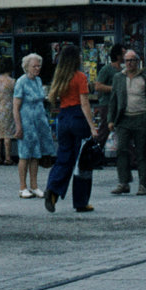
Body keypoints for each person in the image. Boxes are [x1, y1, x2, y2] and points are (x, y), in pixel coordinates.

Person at [42, 44, 99, 213]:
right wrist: (93, 126)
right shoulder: (80, 77)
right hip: (78, 119)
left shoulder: (60, 77)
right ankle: (81, 202)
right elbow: (84, 103)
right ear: (76, 58)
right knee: (83, 162)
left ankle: (52, 189)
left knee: (64, 157)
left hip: (63, 118)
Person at [107, 49, 146, 196]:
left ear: (137, 62)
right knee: (121, 150)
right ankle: (123, 182)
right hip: (124, 119)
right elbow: (113, 100)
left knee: (142, 153)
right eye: (127, 61)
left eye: (132, 60)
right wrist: (110, 119)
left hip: (142, 118)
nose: (129, 63)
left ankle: (143, 184)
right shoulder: (118, 78)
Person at [13, 53, 55, 199]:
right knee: (25, 154)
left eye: (39, 66)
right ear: (26, 66)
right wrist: (18, 126)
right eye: (34, 66)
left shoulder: (38, 80)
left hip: (39, 122)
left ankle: (34, 185)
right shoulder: (21, 82)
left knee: (36, 155)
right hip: (26, 122)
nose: (37, 68)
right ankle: (22, 187)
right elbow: (16, 106)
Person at [93, 43, 124, 141]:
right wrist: (113, 88)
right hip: (107, 104)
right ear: (118, 55)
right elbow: (97, 86)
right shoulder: (107, 69)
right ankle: (98, 149)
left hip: (120, 104)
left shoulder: (123, 70)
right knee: (105, 129)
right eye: (124, 53)